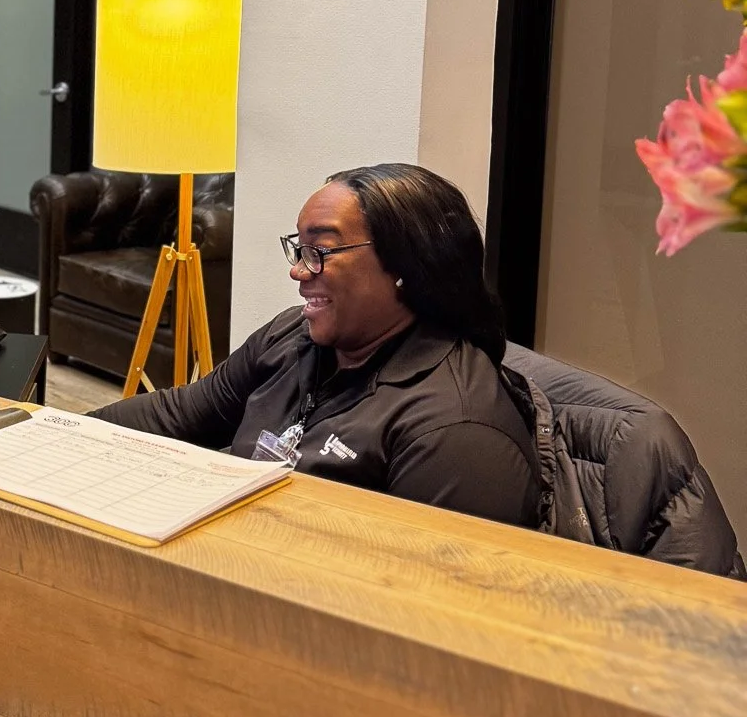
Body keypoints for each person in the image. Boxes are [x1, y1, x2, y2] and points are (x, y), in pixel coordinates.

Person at [96, 163, 541, 527]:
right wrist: (58, 429)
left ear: (407, 266)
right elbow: (178, 415)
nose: (298, 272)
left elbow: (423, 591)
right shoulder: (293, 337)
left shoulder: (457, 432)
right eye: (299, 249)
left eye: (320, 252)